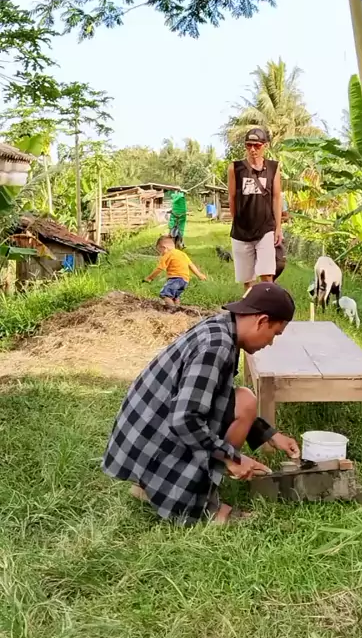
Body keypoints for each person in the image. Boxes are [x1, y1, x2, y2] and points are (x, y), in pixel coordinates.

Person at [102, 282, 299, 525]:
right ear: (262, 321)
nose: (271, 343)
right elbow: (184, 419)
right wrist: (231, 458)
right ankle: (202, 507)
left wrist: (270, 434)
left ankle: (147, 486)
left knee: (244, 400)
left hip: (142, 434)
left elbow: (219, 399)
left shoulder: (222, 328)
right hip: (151, 438)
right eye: (275, 334)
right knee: (244, 401)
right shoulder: (217, 346)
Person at [228, 128, 283, 290]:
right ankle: (251, 305)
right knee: (248, 279)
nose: (252, 150)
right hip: (241, 231)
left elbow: (276, 197)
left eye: (257, 146)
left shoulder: (273, 168)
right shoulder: (235, 168)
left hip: (265, 228)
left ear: (265, 145)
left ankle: (268, 303)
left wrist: (278, 227)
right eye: (249, 145)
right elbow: (232, 197)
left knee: (267, 275)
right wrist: (237, 220)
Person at [143, 235, 206, 305]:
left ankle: (172, 309)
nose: (161, 254)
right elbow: (191, 265)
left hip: (175, 279)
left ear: (164, 247)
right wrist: (199, 275)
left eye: (160, 252)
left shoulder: (167, 254)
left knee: (165, 295)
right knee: (175, 297)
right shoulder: (182, 254)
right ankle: (178, 309)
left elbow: (159, 268)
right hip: (185, 281)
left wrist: (150, 278)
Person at [274, 196, 289, 282]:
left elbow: (286, 216)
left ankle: (271, 282)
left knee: (280, 264)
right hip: (260, 235)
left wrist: (276, 219)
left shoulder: (281, 198)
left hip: (277, 235)